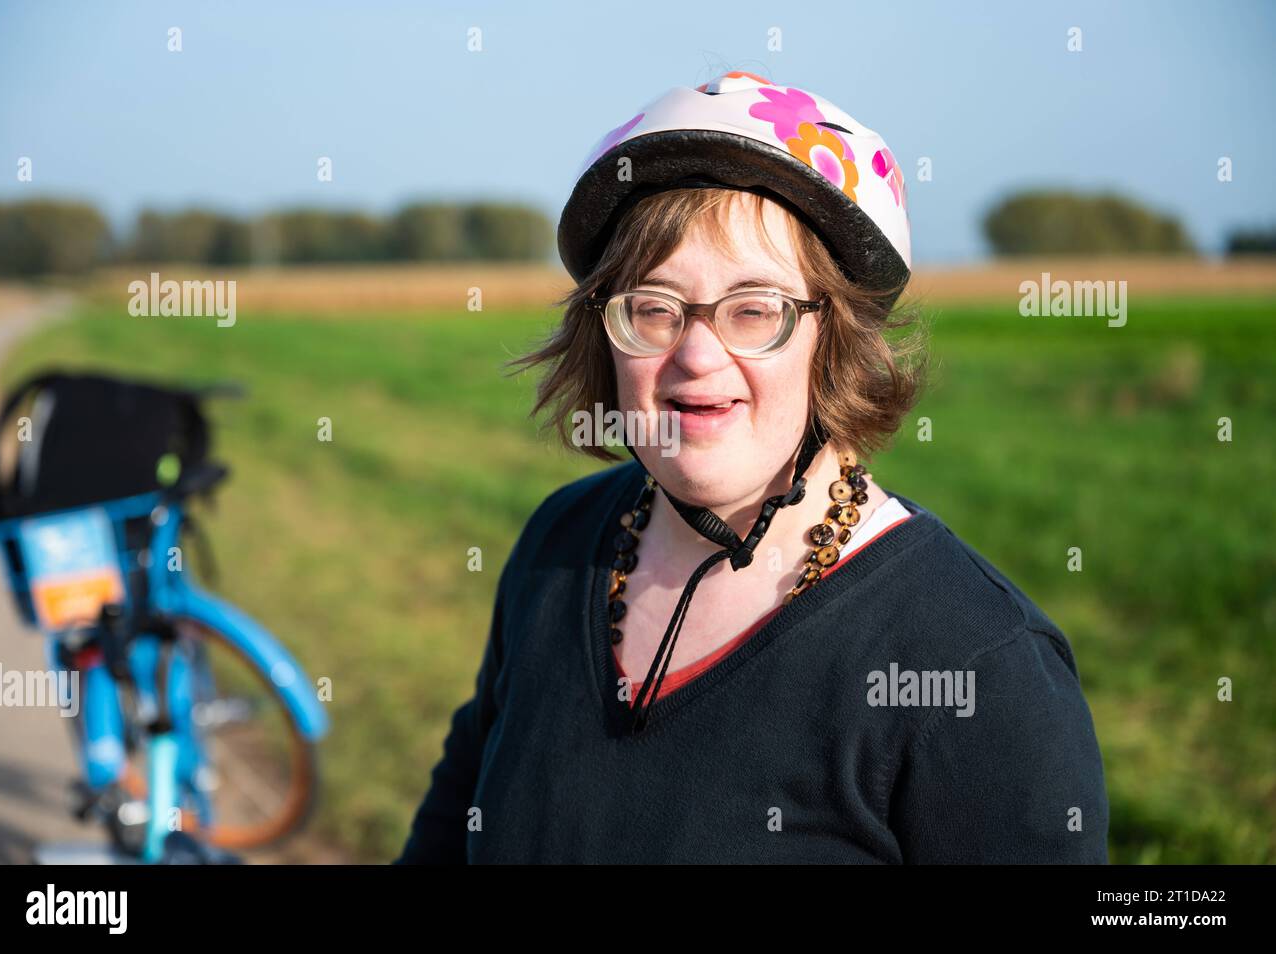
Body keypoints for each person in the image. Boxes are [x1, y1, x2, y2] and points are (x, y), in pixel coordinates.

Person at [395, 71, 1109, 864]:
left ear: (835, 337)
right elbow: (449, 831)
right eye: (654, 306)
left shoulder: (975, 663)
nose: (697, 356)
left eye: (755, 309)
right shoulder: (560, 548)